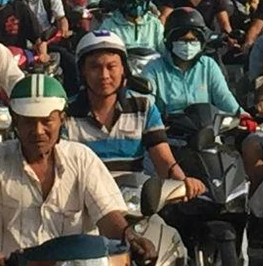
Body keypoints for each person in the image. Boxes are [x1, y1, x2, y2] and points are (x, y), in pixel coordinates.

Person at [0, 74, 155, 264]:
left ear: (62, 119)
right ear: (15, 120)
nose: (38, 131)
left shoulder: (81, 158)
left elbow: (107, 214)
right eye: (29, 122)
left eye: (47, 121)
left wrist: (130, 238)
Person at [63, 31, 204, 197]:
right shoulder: (66, 114)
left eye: (111, 67)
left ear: (124, 69)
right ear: (82, 71)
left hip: (133, 200)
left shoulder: (143, 107)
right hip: (85, 202)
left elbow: (164, 161)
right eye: (95, 67)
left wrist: (183, 181)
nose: (104, 75)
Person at [142, 7, 242, 118]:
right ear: (170, 41)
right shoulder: (153, 68)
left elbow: (224, 98)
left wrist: (242, 115)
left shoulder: (209, 66)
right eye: (183, 40)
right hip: (168, 126)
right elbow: (146, 103)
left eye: (193, 40)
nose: (188, 45)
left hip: (205, 126)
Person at [101, 0, 165, 55]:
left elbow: (164, 52)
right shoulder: (109, 25)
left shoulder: (155, 24)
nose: (136, 4)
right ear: (121, 1)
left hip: (152, 62)